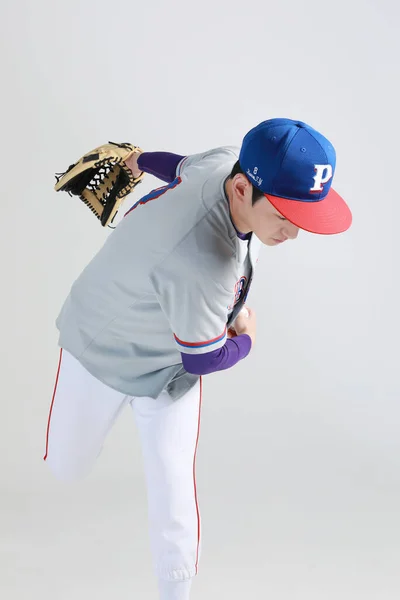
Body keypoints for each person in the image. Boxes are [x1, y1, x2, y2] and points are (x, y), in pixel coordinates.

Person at [43, 118, 352, 600]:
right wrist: (245, 337)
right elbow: (205, 360)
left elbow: (179, 166)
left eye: (303, 216)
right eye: (286, 215)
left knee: (173, 494)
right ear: (242, 188)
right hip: (98, 345)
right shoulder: (203, 261)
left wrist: (136, 159)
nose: (294, 232)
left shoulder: (226, 161)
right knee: (67, 467)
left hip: (167, 364)